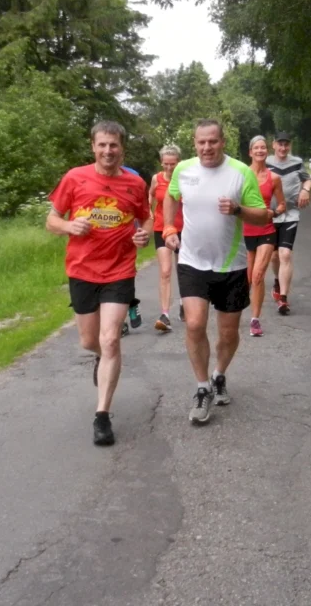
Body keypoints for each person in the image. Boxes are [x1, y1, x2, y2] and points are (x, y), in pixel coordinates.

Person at [46, 122, 151, 446]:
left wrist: (143, 234)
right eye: (102, 145)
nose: (108, 151)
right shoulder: (75, 178)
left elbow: (145, 216)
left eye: (114, 146)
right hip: (81, 269)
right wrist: (67, 225)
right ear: (93, 146)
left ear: (122, 148)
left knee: (110, 341)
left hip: (119, 270)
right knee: (89, 341)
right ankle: (99, 359)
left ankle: (102, 415)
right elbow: (51, 219)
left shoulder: (134, 183)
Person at [162, 119, 271, 424]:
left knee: (228, 333)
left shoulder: (241, 172)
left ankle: (219, 374)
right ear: (194, 144)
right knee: (195, 324)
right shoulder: (183, 170)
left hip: (231, 265)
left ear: (223, 141)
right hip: (192, 261)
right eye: (201, 142)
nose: (207, 147)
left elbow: (263, 217)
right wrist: (170, 226)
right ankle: (201, 388)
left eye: (213, 141)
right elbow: (170, 196)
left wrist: (238, 209)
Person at [266, 131, 311, 315]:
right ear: (274, 145)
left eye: (286, 144)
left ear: (289, 146)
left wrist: (306, 190)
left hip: (291, 214)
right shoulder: (266, 162)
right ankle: (277, 281)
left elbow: (307, 179)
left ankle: (283, 299)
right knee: (274, 256)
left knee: (285, 254)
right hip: (270, 214)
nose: (283, 148)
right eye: (280, 144)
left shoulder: (297, 162)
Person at [243, 136, 286, 337]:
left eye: (263, 148)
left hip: (267, 230)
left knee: (259, 275)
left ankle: (255, 320)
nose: (260, 151)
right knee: (249, 277)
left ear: (266, 152)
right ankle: (239, 309)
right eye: (256, 148)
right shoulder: (242, 175)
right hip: (246, 231)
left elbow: (282, 204)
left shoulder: (274, 178)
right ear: (250, 152)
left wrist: (274, 213)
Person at [149, 145, 185, 332]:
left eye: (173, 164)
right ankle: (165, 314)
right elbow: (151, 195)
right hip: (161, 228)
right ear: (161, 163)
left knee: (183, 269)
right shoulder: (157, 178)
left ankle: (183, 304)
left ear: (179, 162)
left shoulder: (185, 179)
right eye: (166, 164)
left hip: (183, 229)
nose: (169, 168)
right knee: (165, 270)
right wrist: (149, 211)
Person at [120, 165, 144, 337]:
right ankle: (119, 322)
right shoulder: (93, 174)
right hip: (100, 237)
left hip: (128, 235)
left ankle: (132, 305)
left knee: (124, 275)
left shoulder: (133, 175)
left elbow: (140, 208)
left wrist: (139, 231)